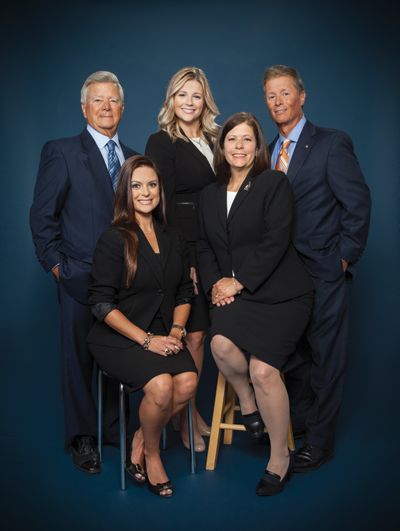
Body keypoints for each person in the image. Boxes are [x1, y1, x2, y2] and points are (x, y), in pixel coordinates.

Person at [197, 112, 314, 496]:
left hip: (281, 294)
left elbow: (276, 240)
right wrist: (218, 284)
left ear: (257, 146)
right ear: (222, 146)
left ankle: (279, 458)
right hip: (237, 293)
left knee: (264, 370)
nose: (239, 147)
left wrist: (239, 281)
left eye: (247, 140)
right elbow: (205, 246)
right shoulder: (209, 193)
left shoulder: (273, 183)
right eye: (232, 140)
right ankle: (248, 404)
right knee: (220, 344)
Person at [263, 64, 371, 472]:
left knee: (326, 356)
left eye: (285, 93)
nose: (278, 102)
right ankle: (300, 426)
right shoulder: (266, 151)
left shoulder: (330, 143)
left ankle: (319, 443)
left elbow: (357, 205)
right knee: (293, 355)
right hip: (281, 278)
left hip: (323, 270)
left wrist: (342, 257)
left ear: (302, 96)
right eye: (271, 95)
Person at [30, 71, 137, 474]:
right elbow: (42, 217)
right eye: (98, 100)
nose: (106, 107)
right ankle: (83, 439)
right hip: (78, 277)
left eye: (113, 101)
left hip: (125, 281)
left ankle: (114, 431)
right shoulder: (61, 151)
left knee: (119, 357)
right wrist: (58, 267)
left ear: (122, 109)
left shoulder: (132, 155)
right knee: (77, 359)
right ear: (84, 107)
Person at [87, 155, 197, 497]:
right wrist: (147, 340)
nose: (145, 192)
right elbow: (101, 304)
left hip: (164, 331)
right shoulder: (114, 238)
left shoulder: (172, 236)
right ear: (125, 192)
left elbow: (183, 290)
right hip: (118, 336)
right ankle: (150, 455)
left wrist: (177, 331)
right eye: (136, 186)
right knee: (162, 386)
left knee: (189, 382)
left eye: (151, 184)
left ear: (160, 190)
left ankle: (138, 438)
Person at [145, 66, 219, 452]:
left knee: (203, 335)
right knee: (190, 332)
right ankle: (184, 420)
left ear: (205, 99)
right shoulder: (162, 142)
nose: (188, 102)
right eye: (181, 95)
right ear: (170, 100)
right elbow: (162, 206)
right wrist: (182, 259)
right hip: (185, 247)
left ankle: (188, 412)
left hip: (217, 245)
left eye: (195, 95)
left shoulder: (215, 138)